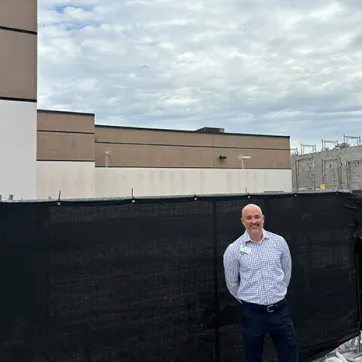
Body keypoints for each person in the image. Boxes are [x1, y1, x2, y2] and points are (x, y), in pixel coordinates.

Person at [223, 203, 298, 362]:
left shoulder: (279, 242)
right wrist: (250, 300)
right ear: (242, 221)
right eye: (249, 218)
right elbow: (232, 283)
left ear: (263, 219)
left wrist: (277, 293)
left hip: (280, 312)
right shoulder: (233, 250)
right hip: (253, 315)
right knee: (253, 357)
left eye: (257, 217)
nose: (253, 221)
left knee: (290, 355)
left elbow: (287, 272)